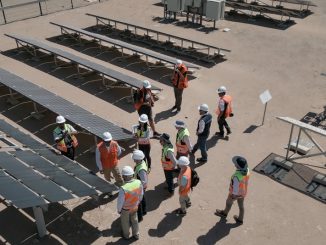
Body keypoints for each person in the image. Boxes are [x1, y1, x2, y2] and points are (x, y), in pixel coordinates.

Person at [215, 156, 250, 225]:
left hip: (235, 193)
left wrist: (233, 196)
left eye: (235, 164)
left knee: (228, 203)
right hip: (243, 192)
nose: (234, 164)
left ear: (237, 166)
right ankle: (240, 219)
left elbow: (235, 188)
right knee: (241, 206)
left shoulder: (236, 176)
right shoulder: (247, 170)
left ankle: (224, 213)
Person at [117, 166, 143, 240]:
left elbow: (120, 202)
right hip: (135, 206)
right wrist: (138, 202)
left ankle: (126, 235)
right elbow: (141, 194)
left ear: (124, 176)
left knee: (125, 222)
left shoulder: (123, 188)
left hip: (126, 209)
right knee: (134, 220)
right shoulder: (138, 182)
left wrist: (119, 210)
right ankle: (136, 234)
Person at [132, 150, 148, 222]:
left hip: (139, 188)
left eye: (134, 158)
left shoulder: (141, 169)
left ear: (137, 159)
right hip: (141, 187)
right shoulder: (142, 162)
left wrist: (138, 189)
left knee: (138, 202)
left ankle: (140, 217)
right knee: (143, 199)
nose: (133, 159)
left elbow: (144, 181)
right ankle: (144, 211)